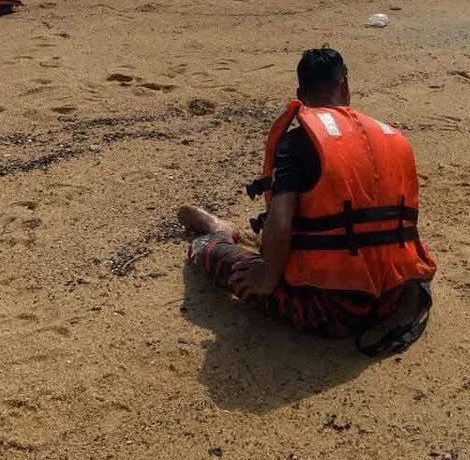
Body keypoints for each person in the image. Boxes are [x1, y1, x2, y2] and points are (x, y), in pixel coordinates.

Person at [179, 47, 436, 355]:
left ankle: (217, 233)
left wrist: (267, 275)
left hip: (333, 311)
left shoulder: (298, 143)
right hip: (395, 296)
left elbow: (281, 220)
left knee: (220, 260)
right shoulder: (394, 138)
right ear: (345, 87)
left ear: (300, 94)